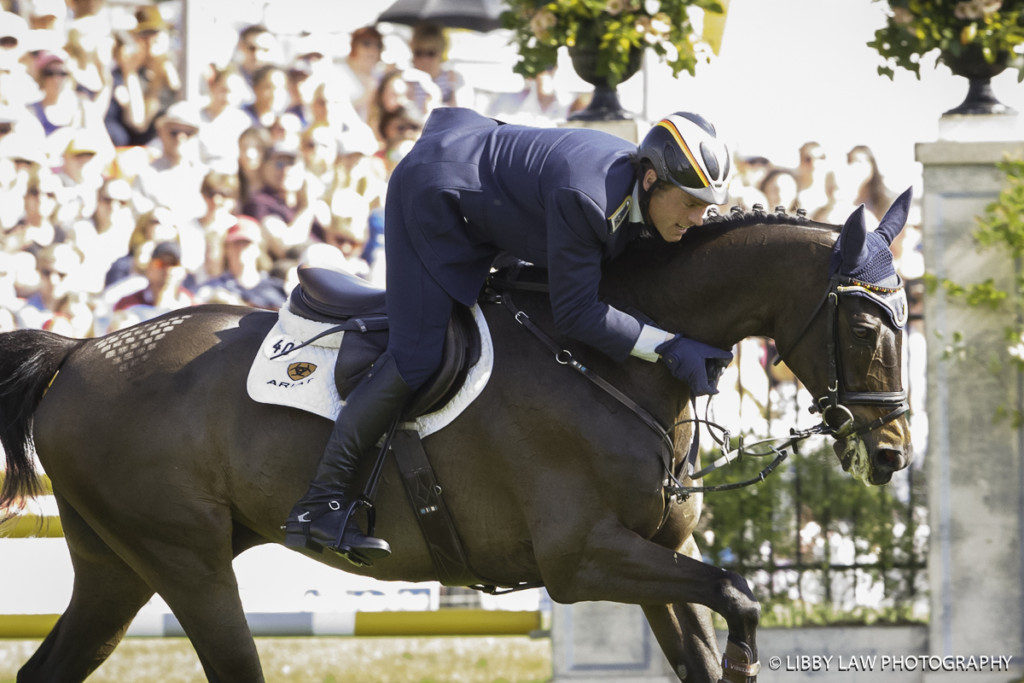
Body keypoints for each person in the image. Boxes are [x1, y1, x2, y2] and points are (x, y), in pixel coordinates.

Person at [283, 109, 735, 564]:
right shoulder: (590, 200)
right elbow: (578, 313)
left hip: (491, 187)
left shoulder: (635, 190)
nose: (698, 219)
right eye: (692, 204)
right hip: (434, 189)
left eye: (707, 207)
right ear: (652, 178)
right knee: (418, 356)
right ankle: (322, 499)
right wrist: (667, 346)